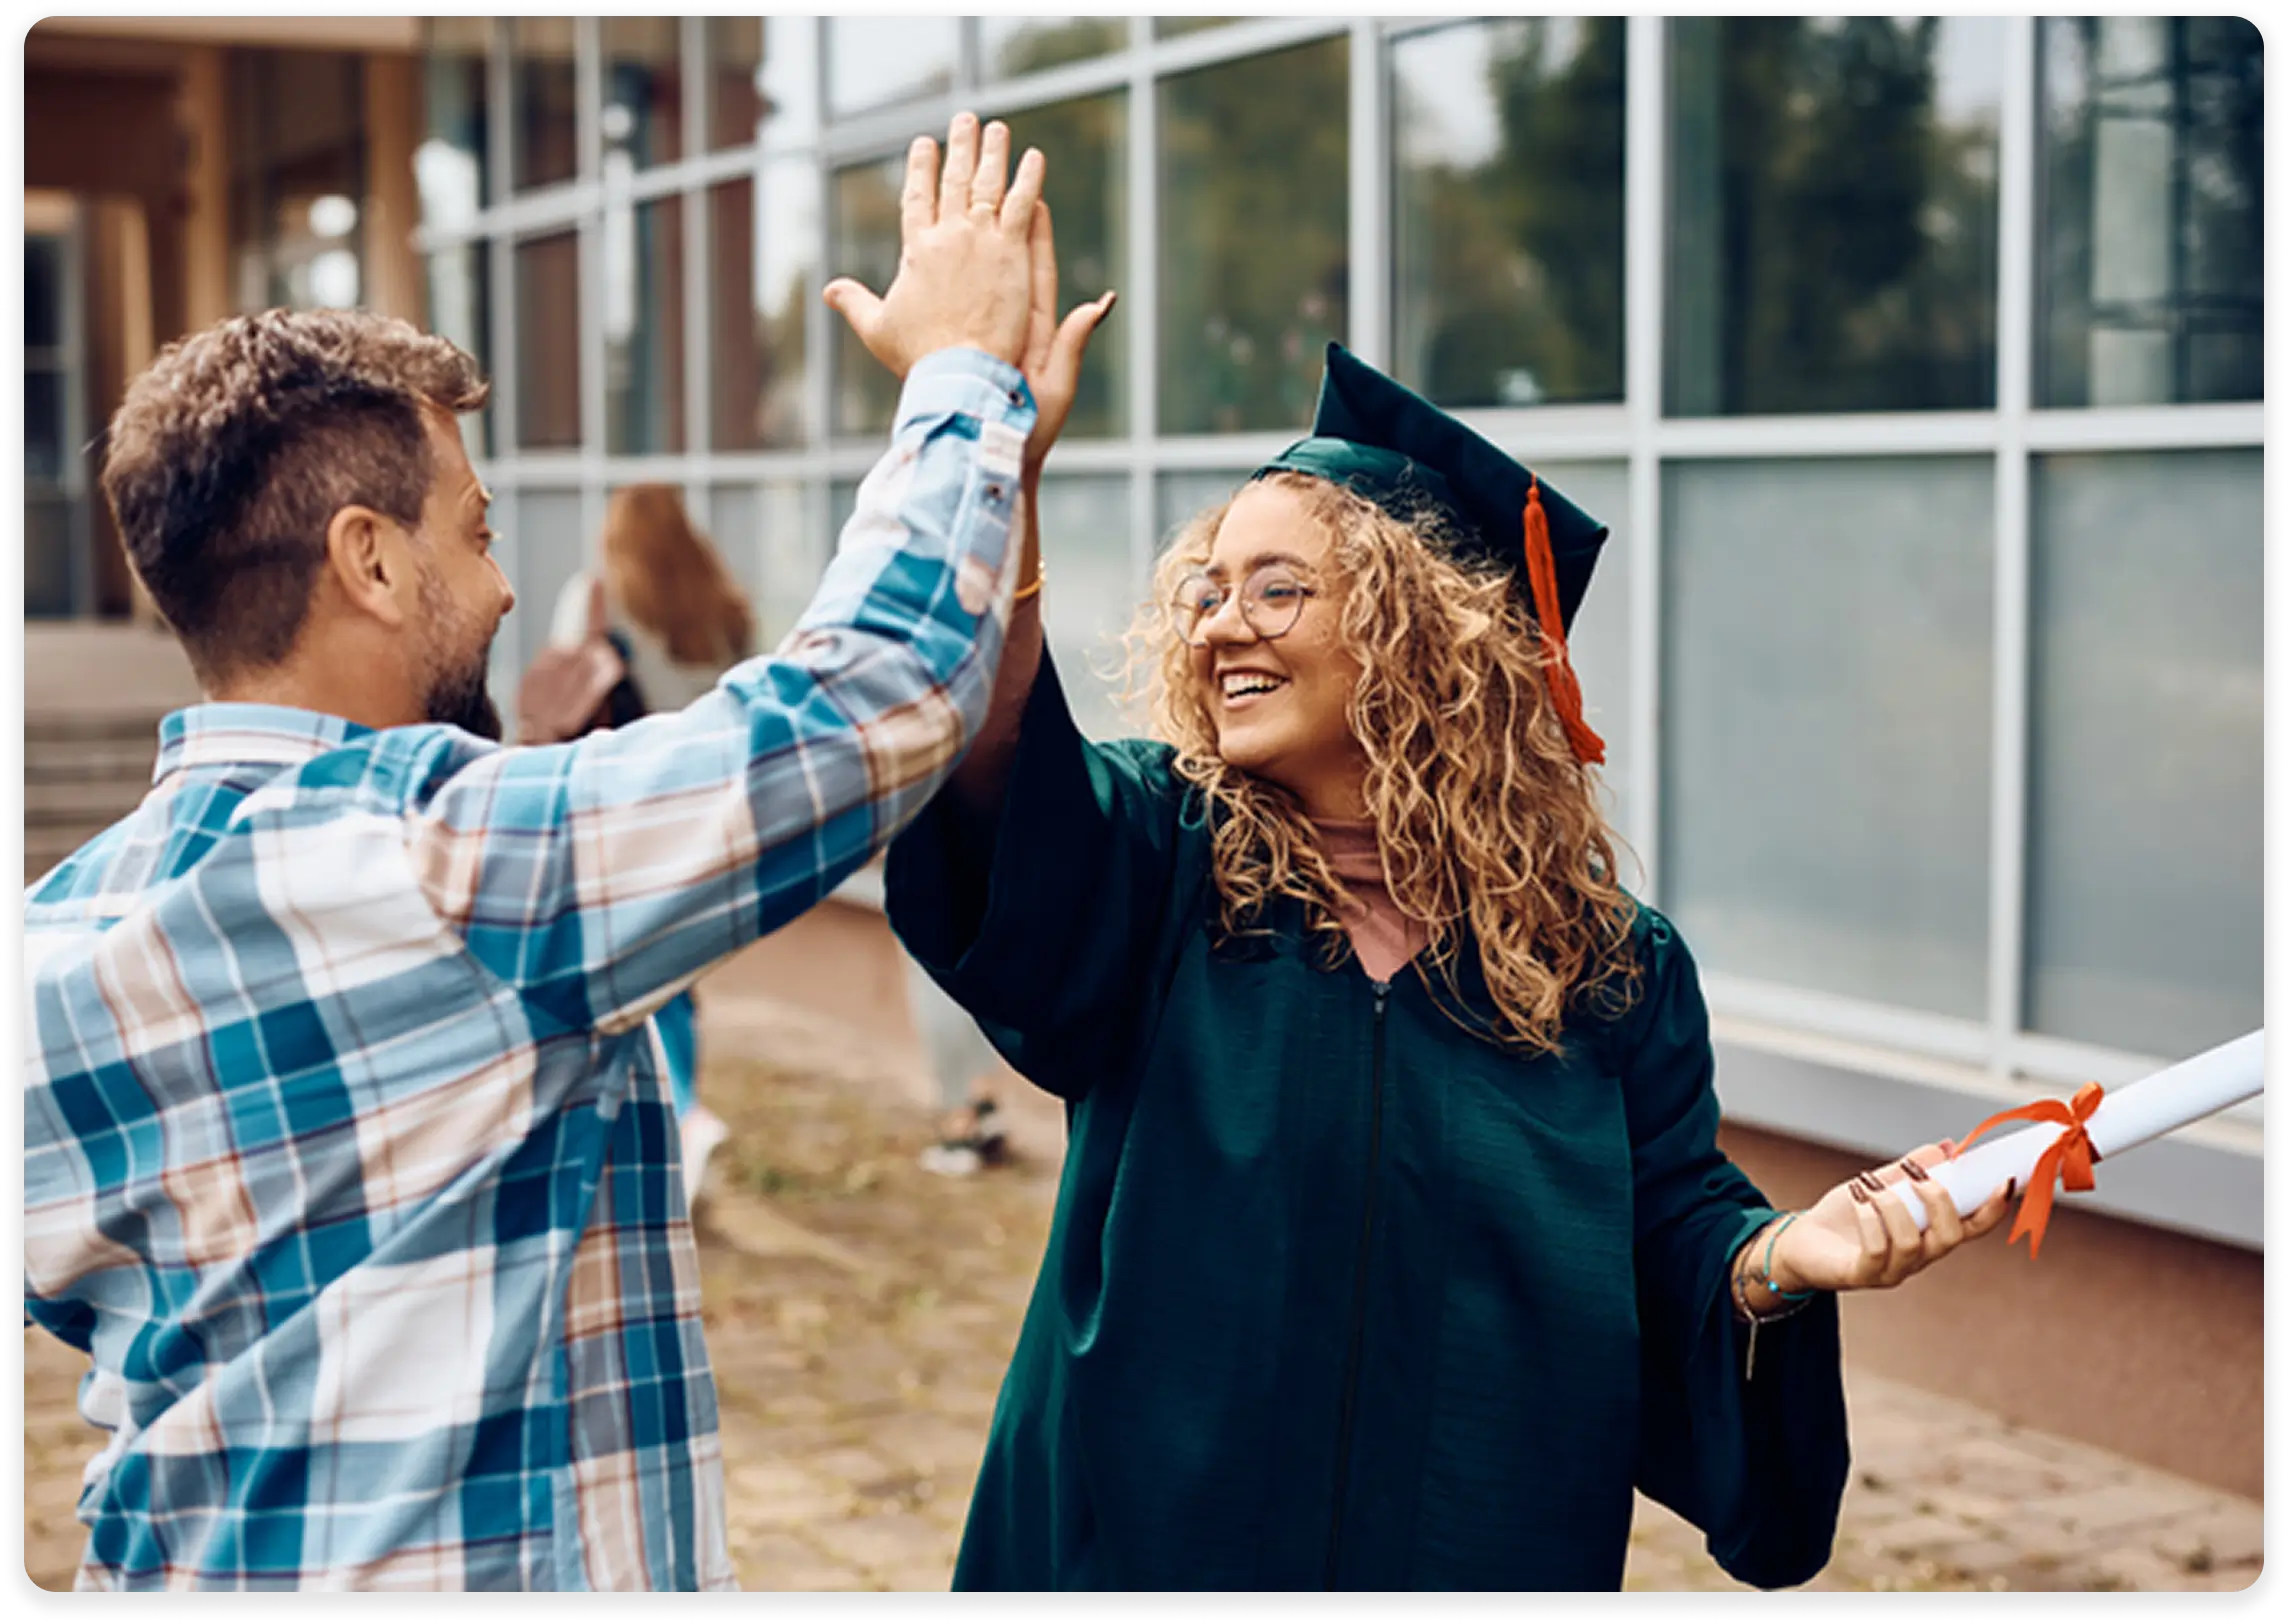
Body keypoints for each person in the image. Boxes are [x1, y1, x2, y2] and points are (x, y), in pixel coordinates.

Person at [23, 113, 1046, 1591]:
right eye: (476, 531)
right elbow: (867, 698)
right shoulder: (443, 865)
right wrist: (969, 376)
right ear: (370, 561)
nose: (504, 588)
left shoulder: (59, 935)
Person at [858, 305, 2014, 1588]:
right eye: (1206, 587)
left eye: (1276, 587)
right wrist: (998, 479)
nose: (1216, 625)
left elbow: (1664, 1228)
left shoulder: (1602, 968)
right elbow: (1006, 776)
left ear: (1421, 635)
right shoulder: (1164, 864)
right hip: (1137, 1546)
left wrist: (1773, 1263)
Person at [535, 486, 761, 1201]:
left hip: (624, 807)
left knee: (632, 963)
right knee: (676, 966)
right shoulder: (728, 611)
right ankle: (683, 1107)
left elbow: (567, 683)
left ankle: (679, 1115)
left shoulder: (596, 597)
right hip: (710, 813)